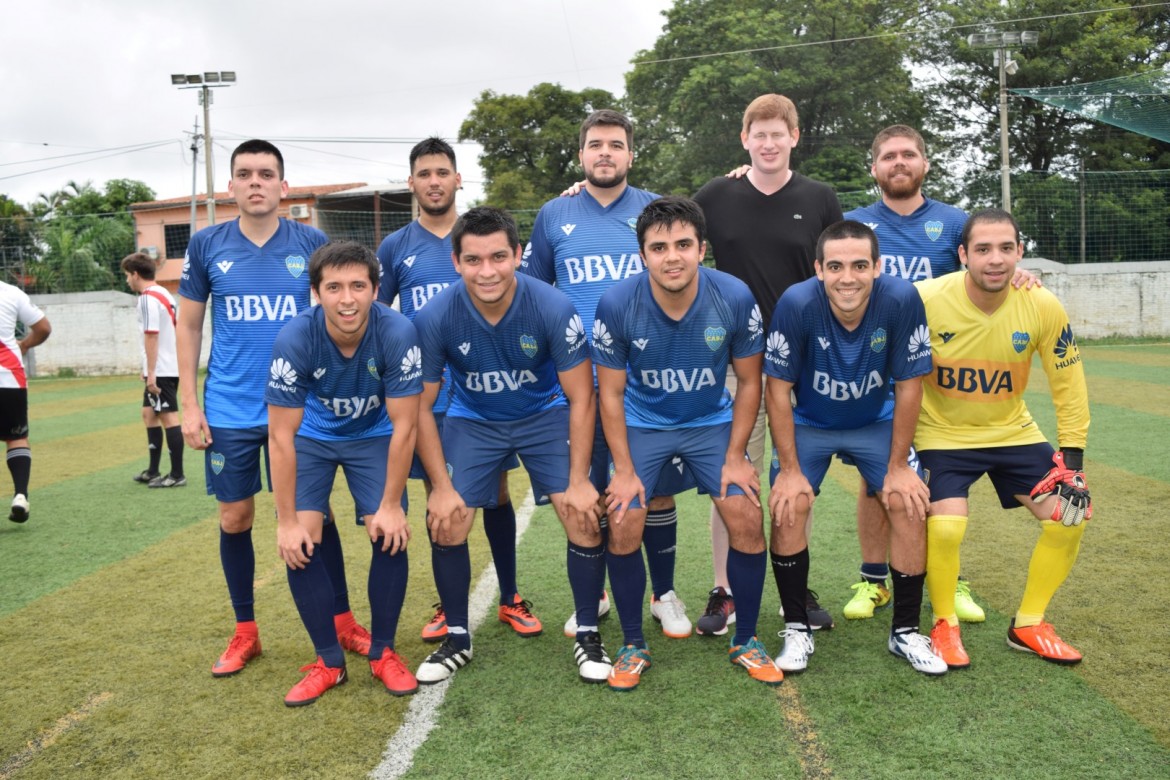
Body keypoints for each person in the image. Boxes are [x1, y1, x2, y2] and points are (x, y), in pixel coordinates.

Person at [178, 139, 370, 678]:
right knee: (236, 517)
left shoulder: (311, 241)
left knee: (315, 516)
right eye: (245, 174)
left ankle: (342, 622)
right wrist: (189, 404)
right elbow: (189, 324)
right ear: (232, 187)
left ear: (283, 187)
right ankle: (245, 632)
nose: (255, 182)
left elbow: (338, 316)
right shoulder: (206, 245)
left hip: (304, 409)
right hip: (231, 408)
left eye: (266, 173)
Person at [840, 125, 1039, 624]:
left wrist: (1019, 273)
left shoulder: (954, 223)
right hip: (876, 367)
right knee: (875, 479)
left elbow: (988, 261)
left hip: (942, 374)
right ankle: (873, 580)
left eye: (909, 154)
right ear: (875, 169)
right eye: (889, 156)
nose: (899, 162)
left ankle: (951, 578)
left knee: (942, 480)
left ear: (925, 164)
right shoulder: (854, 222)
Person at [593, 196, 782, 690]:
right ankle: (633, 642)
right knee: (625, 517)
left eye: (682, 244)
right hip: (643, 421)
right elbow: (610, 394)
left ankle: (746, 638)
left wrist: (737, 455)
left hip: (709, 421)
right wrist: (624, 468)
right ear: (643, 256)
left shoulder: (734, 296)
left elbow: (748, 383)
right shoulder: (617, 302)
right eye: (659, 247)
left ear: (702, 249)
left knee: (744, 514)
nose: (671, 256)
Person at [412, 207, 605, 684]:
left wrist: (579, 480)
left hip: (543, 414)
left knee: (581, 511)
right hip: (474, 418)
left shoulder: (552, 306)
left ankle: (587, 632)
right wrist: (439, 485)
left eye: (499, 256)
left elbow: (582, 395)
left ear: (518, 255)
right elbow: (419, 407)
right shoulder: (435, 315)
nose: (488, 270)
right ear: (456, 262)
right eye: (474, 259)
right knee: (448, 517)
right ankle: (457, 637)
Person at [525, 109, 691, 639]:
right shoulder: (555, 213)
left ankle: (663, 594)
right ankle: (593, 595)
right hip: (577, 383)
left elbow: (678, 275)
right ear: (581, 155)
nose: (605, 153)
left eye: (615, 145)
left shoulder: (654, 210)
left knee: (655, 491)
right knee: (588, 491)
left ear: (630, 155)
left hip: (647, 380)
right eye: (595, 144)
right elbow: (533, 290)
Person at [764, 219, 946, 676]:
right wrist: (788, 468)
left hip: (874, 419)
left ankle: (905, 632)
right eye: (837, 266)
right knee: (791, 502)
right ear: (819, 269)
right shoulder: (796, 302)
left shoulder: (902, 298)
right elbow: (778, 388)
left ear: (877, 267)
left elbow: (909, 386)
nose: (848, 277)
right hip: (811, 421)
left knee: (907, 502)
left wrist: (898, 466)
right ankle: (798, 627)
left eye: (860, 265)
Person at [692, 94, 843, 636]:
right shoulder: (716, 194)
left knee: (792, 479)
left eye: (779, 133)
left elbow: (840, 268)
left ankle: (791, 588)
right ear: (745, 139)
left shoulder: (820, 197)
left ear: (795, 137)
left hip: (805, 358)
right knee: (734, 475)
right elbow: (666, 234)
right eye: (760, 133)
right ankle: (725, 587)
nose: (770, 143)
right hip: (738, 361)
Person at [377, 138, 536, 645]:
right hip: (428, 396)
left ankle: (510, 595)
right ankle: (450, 607)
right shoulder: (395, 248)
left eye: (443, 172)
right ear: (412, 183)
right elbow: (379, 317)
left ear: (457, 178)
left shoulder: (484, 236)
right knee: (440, 497)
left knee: (496, 494)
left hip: (484, 393)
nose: (434, 181)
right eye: (424, 173)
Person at [917, 209, 1091, 669]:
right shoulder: (925, 298)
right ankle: (944, 623)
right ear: (962, 255)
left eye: (1006, 249)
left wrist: (1071, 457)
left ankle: (1029, 623)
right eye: (983, 250)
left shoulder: (1042, 304)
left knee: (1070, 515)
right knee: (948, 524)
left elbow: (1068, 382)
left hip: (1012, 431)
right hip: (942, 433)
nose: (995, 260)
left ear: (1019, 251)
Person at [267, 241, 421, 706]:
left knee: (386, 529)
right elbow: (280, 437)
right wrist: (287, 520)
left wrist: (392, 505)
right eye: (334, 287)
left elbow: (405, 425)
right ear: (316, 293)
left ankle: (383, 651)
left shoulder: (398, 332)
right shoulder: (295, 337)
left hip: (374, 433)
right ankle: (329, 661)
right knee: (303, 539)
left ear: (376, 289)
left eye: (358, 285)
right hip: (312, 435)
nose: (347, 298)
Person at [121, 252, 185, 488]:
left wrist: (151, 371)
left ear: (136, 274)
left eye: (128, 275)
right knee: (149, 414)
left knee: (168, 417)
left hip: (163, 369)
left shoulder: (147, 298)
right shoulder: (163, 293)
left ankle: (177, 474)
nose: (127, 280)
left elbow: (151, 335)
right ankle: (153, 470)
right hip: (165, 365)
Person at [0, 280, 50, 523]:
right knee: (16, 436)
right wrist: (25, 345)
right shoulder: (11, 292)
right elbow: (43, 328)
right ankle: (20, 495)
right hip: (10, 377)